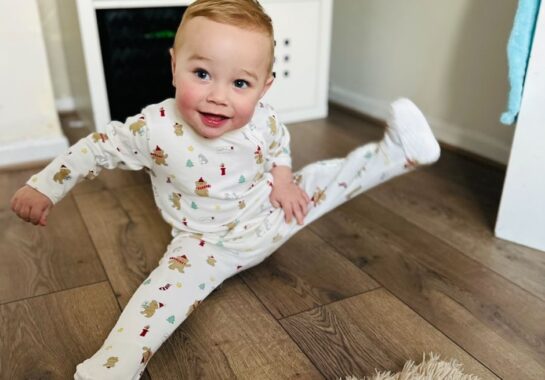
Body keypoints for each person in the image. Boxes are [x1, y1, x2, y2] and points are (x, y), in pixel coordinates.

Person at [10, 0, 440, 378]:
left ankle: (398, 152)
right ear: (173, 65)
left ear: (264, 86)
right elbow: (93, 150)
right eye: (202, 73)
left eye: (240, 84)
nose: (218, 97)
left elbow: (278, 144)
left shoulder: (264, 118)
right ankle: (111, 369)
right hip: (204, 246)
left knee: (325, 180)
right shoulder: (153, 128)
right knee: (157, 303)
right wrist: (45, 186)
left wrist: (285, 180)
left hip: (269, 213)